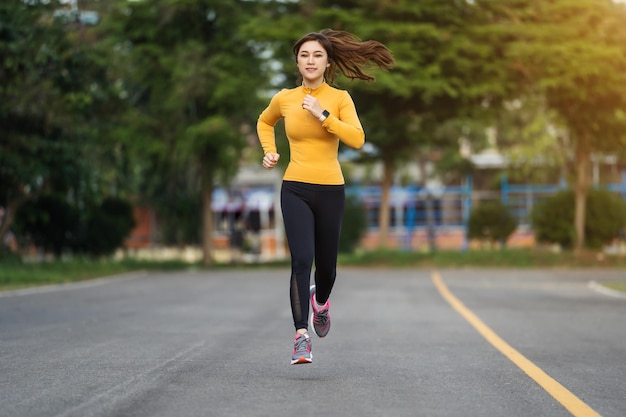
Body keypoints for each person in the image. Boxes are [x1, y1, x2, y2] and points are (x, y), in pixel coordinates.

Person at [257, 29, 394, 365]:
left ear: (327, 61)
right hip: (295, 189)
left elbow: (358, 139)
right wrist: (270, 151)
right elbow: (264, 121)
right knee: (301, 260)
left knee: (327, 269)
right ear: (297, 61)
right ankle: (301, 337)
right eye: (304, 55)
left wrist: (323, 115)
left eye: (317, 55)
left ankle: (322, 302)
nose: (310, 60)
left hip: (331, 190)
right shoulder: (285, 98)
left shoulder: (339, 98)